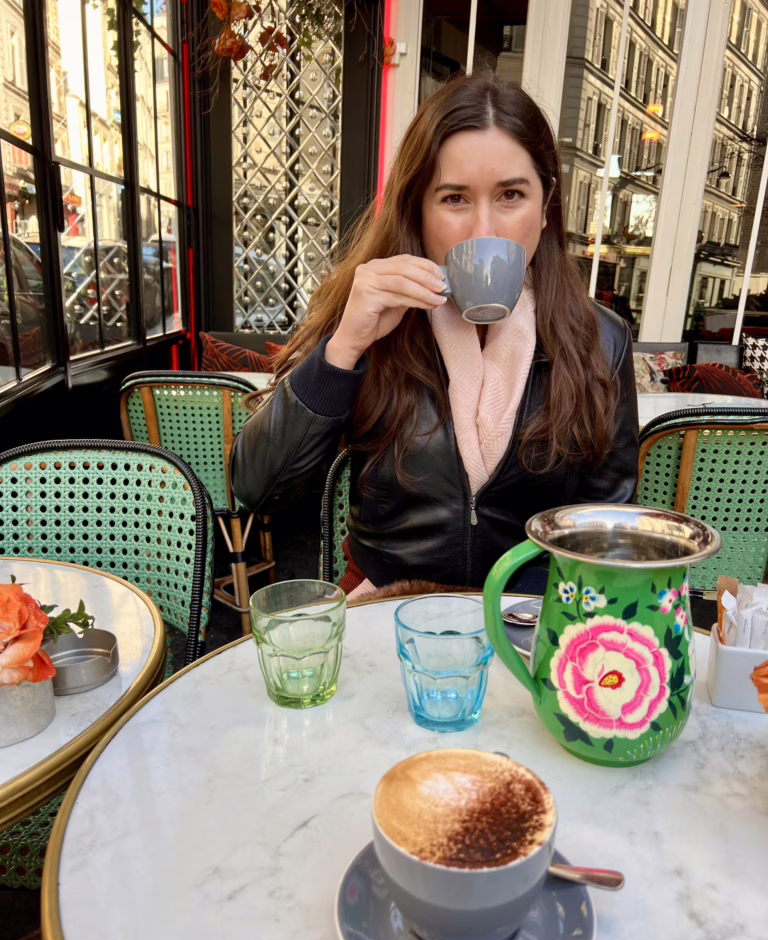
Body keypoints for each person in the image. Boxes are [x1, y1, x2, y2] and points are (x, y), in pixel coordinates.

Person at [231, 75, 639, 597]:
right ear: (418, 210)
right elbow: (258, 489)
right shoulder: (377, 315)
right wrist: (345, 346)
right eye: (454, 199)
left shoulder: (601, 341)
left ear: (545, 207)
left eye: (511, 195)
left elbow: (604, 527)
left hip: (531, 610)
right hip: (388, 602)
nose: (483, 231)